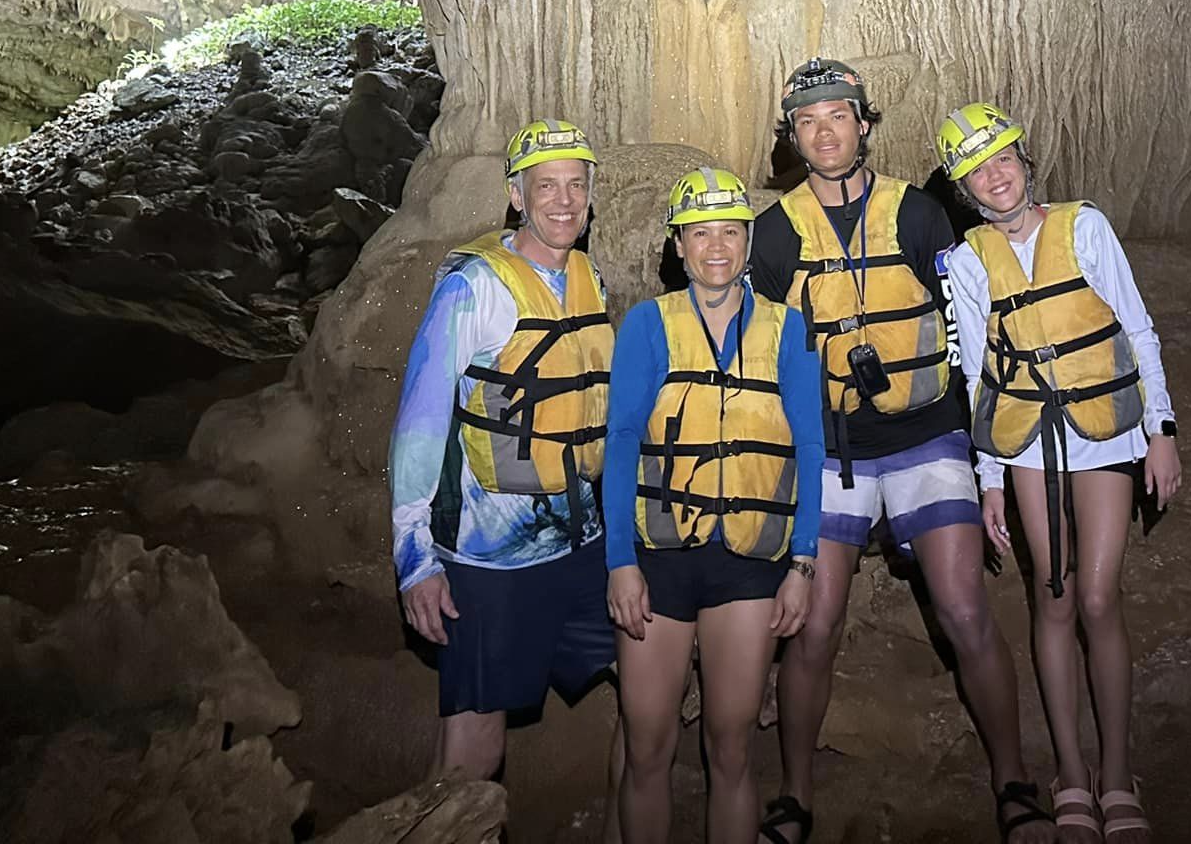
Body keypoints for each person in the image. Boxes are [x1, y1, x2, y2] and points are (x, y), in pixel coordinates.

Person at [750, 59, 1054, 843]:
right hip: (831, 448)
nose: (825, 132)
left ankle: (1013, 780)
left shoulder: (918, 215)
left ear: (864, 123)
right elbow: (767, 352)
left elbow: (969, 327)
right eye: (808, 121)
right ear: (793, 136)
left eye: (838, 116)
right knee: (815, 627)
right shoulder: (777, 233)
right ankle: (794, 794)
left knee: (962, 608)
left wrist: (989, 454)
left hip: (926, 434)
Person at [937, 103, 1182, 841]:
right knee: (1054, 596)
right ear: (966, 188)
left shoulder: (1085, 226)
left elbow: (1136, 325)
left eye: (1004, 158)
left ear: (1024, 160)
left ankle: (1117, 771)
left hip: (1104, 430)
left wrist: (1161, 429)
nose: (997, 175)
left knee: (1100, 598)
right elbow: (975, 375)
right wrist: (987, 479)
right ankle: (1071, 772)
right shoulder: (969, 258)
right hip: (1024, 440)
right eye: (980, 169)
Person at [387, 118, 623, 821]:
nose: (562, 200)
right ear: (516, 195)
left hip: (584, 548)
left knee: (649, 689)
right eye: (545, 186)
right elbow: (420, 425)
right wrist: (413, 560)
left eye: (575, 186)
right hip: (491, 563)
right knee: (473, 747)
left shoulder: (590, 276)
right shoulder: (473, 289)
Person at [604, 167, 824, 844]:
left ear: (749, 239)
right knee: (647, 748)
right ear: (678, 245)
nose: (716, 246)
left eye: (730, 231)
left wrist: (804, 561)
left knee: (730, 749)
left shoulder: (790, 331)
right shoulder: (647, 324)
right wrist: (620, 562)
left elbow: (810, 447)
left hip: (751, 562)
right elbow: (620, 441)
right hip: (660, 558)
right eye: (701, 233)